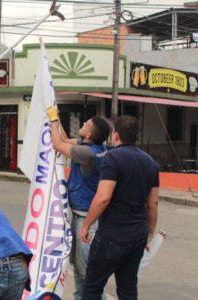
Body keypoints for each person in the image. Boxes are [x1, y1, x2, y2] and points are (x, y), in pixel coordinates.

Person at [80, 115, 159, 300]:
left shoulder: (113, 158)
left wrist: (86, 225)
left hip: (112, 235)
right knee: (128, 289)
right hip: (138, 235)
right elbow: (153, 203)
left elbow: (103, 198)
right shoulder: (151, 163)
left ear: (115, 135)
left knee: (92, 288)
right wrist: (150, 233)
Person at [46, 106, 110, 300]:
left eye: (86, 124)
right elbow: (64, 140)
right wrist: (55, 118)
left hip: (86, 219)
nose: (82, 124)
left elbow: (57, 145)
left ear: (89, 134)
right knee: (79, 267)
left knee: (86, 270)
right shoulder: (93, 147)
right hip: (80, 214)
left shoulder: (86, 153)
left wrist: (53, 120)